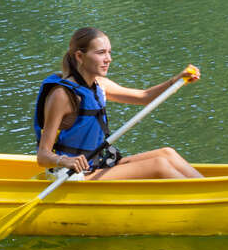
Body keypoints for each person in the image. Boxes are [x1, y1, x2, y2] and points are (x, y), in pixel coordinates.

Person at [34, 27, 203, 180]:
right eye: (101, 53)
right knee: (158, 165)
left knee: (167, 154)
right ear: (80, 56)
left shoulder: (100, 84)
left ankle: (209, 191)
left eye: (109, 52)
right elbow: (43, 156)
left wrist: (177, 80)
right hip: (72, 175)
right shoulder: (62, 95)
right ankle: (207, 200)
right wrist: (66, 161)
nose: (108, 59)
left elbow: (144, 97)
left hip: (98, 164)